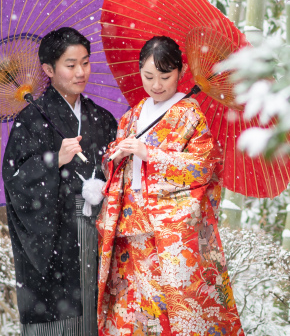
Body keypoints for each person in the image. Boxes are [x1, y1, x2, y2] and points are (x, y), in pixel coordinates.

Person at [96, 36, 244, 336]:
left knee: (167, 309)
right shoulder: (132, 115)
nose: (156, 85)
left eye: (165, 77)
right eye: (148, 76)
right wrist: (116, 155)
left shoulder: (189, 114)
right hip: (128, 226)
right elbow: (110, 164)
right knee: (131, 308)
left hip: (169, 231)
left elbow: (203, 166)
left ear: (180, 72)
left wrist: (150, 153)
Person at [3, 27, 119, 336]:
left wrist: (104, 184)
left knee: (95, 316)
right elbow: (15, 181)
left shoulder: (103, 119)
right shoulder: (30, 120)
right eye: (71, 64)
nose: (81, 72)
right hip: (54, 237)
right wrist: (54, 160)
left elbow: (118, 174)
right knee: (58, 319)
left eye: (86, 62)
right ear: (48, 70)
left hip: (97, 230)